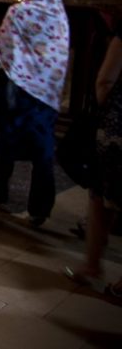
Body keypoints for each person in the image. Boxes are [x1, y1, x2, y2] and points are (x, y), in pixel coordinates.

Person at [0, 0, 69, 226]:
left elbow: (3, 43)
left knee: (7, 138)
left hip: (20, 88)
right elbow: (60, 53)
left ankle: (0, 187)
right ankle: (39, 209)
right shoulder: (60, 16)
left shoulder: (19, 12)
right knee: (43, 150)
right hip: (47, 92)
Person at [65, 20, 122, 295]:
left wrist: (108, 114)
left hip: (116, 128)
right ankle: (94, 265)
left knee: (101, 196)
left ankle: (92, 264)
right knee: (103, 196)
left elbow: (105, 80)